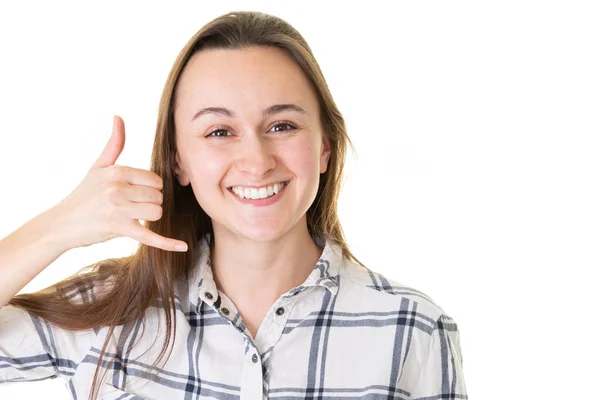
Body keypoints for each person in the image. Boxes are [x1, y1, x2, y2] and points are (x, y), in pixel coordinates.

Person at [0, 10, 468, 400]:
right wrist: (57, 228)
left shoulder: (415, 332)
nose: (257, 161)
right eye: (219, 132)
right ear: (178, 161)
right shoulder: (112, 308)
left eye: (282, 125)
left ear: (325, 146)